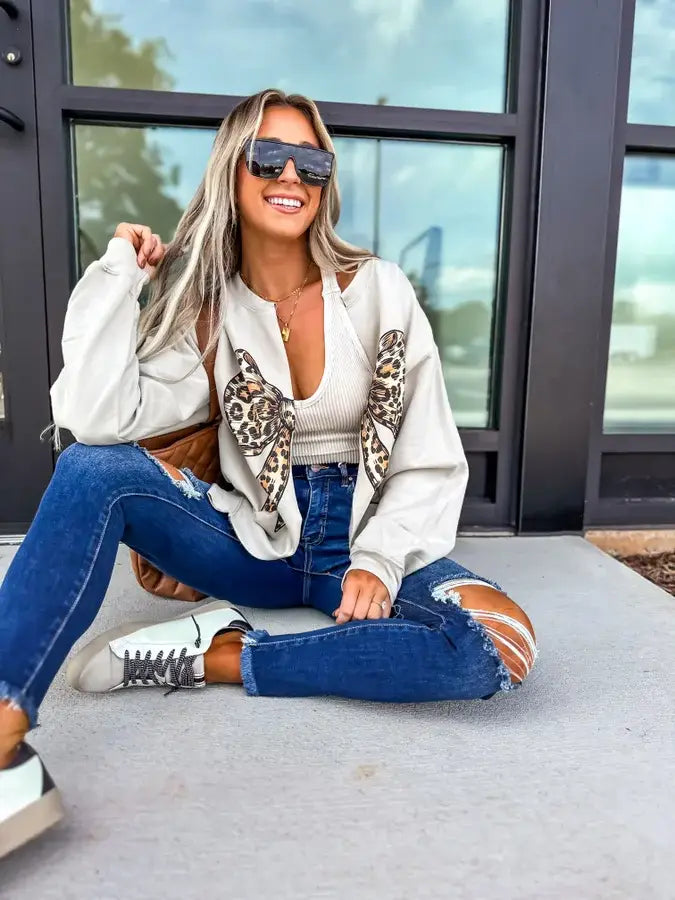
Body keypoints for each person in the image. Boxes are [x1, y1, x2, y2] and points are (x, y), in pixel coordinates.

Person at [0, 89, 537, 858]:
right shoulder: (211, 313)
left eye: (311, 159)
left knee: (496, 643)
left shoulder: (379, 291)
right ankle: (4, 728)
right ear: (233, 170)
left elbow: (427, 452)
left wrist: (380, 558)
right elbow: (97, 416)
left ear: (326, 179)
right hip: (252, 541)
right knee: (93, 471)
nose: (291, 173)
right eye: (268, 155)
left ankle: (221, 656)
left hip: (357, 546)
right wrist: (120, 276)